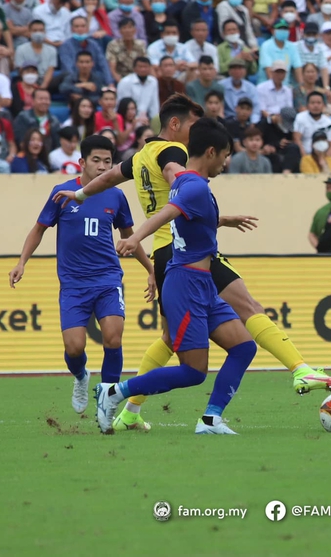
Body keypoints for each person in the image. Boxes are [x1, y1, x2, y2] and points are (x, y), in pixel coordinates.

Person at [54, 94, 331, 432]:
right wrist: (140, 231)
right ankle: (300, 368)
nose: (198, 134)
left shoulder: (139, 157)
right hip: (185, 258)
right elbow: (177, 196)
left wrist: (79, 194)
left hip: (171, 254)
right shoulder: (175, 155)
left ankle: (139, 412)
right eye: (194, 126)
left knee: (185, 341)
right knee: (242, 309)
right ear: (176, 125)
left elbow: (110, 181)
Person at [96, 120, 256, 435]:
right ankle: (114, 392)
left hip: (203, 285)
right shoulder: (195, 186)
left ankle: (210, 420)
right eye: (224, 155)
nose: (226, 163)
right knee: (194, 371)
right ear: (211, 152)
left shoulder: (184, 179)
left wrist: (222, 220)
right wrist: (134, 239)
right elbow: (166, 214)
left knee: (244, 347)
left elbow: (188, 216)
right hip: (185, 287)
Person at [8, 135, 154, 415]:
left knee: (113, 337)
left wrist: (150, 269)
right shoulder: (62, 192)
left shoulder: (117, 195)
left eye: (108, 161)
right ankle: (80, 376)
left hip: (108, 279)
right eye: (96, 160)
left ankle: (108, 400)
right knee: (74, 348)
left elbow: (129, 237)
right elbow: (38, 229)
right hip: (74, 284)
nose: (102, 167)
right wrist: (21, 262)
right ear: (82, 162)